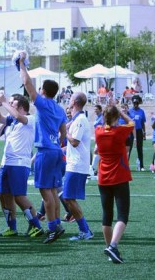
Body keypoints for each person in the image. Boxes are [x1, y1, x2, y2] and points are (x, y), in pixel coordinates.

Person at [18, 52, 67, 244]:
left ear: (44, 91)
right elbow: (63, 132)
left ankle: (53, 228)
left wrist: (21, 65)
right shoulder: (59, 108)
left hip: (45, 152)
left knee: (46, 193)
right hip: (55, 150)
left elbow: (28, 85)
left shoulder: (44, 104)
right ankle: (56, 225)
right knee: (53, 191)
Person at [0, 93, 44, 238]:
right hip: (6, 162)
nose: (8, 105)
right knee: (2, 195)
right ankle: (12, 227)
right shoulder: (12, 120)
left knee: (19, 196)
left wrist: (4, 102)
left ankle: (36, 225)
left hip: (19, 163)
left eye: (12, 103)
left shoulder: (30, 119)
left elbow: (18, 116)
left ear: (22, 107)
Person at [95, 104, 134, 264]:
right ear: (116, 117)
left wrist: (113, 113)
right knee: (122, 215)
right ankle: (113, 246)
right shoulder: (119, 132)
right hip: (119, 176)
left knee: (107, 215)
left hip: (103, 177)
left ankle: (110, 249)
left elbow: (104, 125)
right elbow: (132, 123)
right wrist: (122, 112)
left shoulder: (98, 131)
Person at [63, 92, 93, 241]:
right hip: (74, 163)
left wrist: (65, 131)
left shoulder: (80, 119)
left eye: (70, 99)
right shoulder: (77, 119)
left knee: (68, 198)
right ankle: (85, 229)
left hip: (77, 165)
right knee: (67, 197)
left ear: (74, 101)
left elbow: (75, 141)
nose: (68, 101)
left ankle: (85, 230)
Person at [128, 96, 146, 171]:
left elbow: (142, 123)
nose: (135, 104)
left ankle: (141, 166)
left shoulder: (141, 111)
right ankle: (125, 165)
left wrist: (144, 132)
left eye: (137, 103)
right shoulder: (129, 111)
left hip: (138, 131)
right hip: (130, 131)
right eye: (134, 102)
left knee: (139, 148)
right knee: (129, 148)